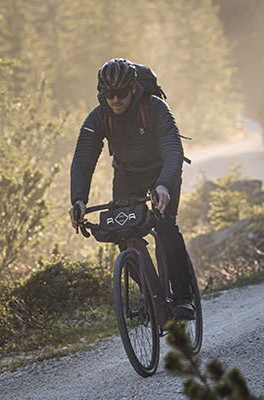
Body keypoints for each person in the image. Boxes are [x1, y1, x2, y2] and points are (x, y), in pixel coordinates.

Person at [69, 58, 196, 320]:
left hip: (162, 170)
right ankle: (152, 296)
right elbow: (83, 159)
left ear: (133, 88)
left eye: (121, 94)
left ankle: (184, 298)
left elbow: (173, 149)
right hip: (127, 175)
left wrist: (165, 185)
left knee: (165, 226)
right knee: (123, 232)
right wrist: (78, 200)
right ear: (102, 94)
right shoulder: (99, 116)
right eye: (109, 94)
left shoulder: (154, 107)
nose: (116, 100)